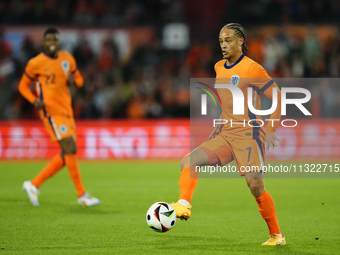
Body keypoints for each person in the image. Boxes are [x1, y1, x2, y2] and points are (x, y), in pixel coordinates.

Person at [171, 23, 285, 245]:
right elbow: (229, 97)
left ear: (241, 41)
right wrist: (222, 119)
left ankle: (276, 235)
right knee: (188, 161)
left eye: (228, 40)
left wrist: (270, 129)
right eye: (221, 41)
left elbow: (278, 97)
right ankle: (184, 204)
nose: (223, 45)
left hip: (250, 134)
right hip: (226, 133)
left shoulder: (253, 69)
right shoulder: (218, 67)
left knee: (255, 186)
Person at [18, 27, 100, 207]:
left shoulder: (67, 59)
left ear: (59, 41)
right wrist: (33, 100)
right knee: (70, 147)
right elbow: (23, 86)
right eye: (49, 40)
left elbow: (79, 81)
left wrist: (74, 80)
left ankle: (33, 184)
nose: (53, 43)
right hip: (50, 112)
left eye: (55, 40)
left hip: (67, 111)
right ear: (44, 42)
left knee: (67, 153)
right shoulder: (35, 63)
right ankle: (82, 194)